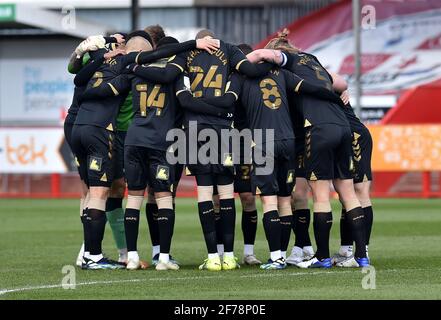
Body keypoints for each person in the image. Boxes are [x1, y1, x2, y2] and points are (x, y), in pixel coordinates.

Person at [255, 32, 369, 268]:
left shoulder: (287, 64)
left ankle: (323, 257)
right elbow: (341, 84)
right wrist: (341, 92)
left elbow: (263, 54)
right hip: (343, 127)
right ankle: (360, 256)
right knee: (348, 193)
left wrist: (242, 63)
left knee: (319, 195)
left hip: (318, 130)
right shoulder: (313, 61)